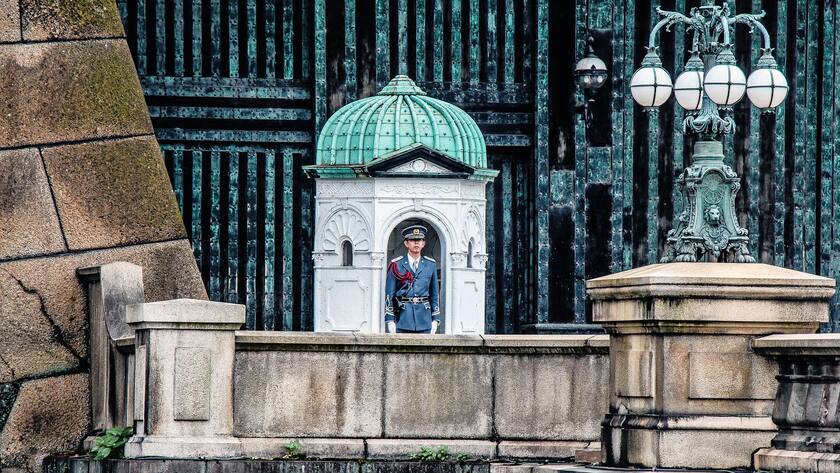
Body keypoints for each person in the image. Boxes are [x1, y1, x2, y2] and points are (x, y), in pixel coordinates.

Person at [384, 224, 441, 334]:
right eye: (412, 240)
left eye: (419, 240)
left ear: (423, 243)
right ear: (406, 243)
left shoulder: (430, 265)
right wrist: (390, 319)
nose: (416, 243)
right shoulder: (396, 265)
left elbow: (434, 294)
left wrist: (435, 318)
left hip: (425, 320)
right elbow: (389, 295)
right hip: (403, 318)